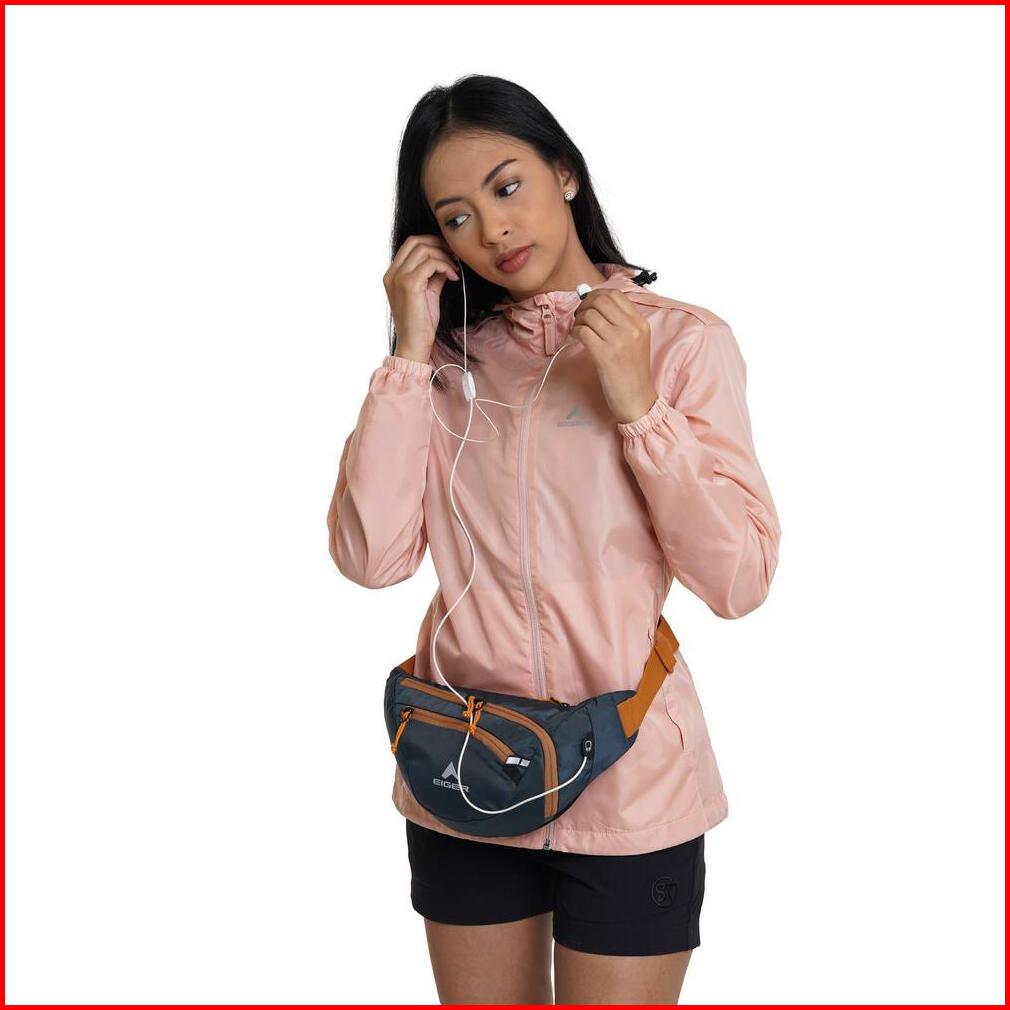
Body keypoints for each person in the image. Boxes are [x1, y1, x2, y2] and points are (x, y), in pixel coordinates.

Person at [327, 73, 781, 1005]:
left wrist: (639, 405)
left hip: (630, 783)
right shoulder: (442, 367)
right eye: (456, 217)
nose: (493, 230)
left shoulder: (681, 343)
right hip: (463, 773)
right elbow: (373, 560)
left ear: (565, 173)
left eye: (507, 187)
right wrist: (407, 354)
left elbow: (738, 579)